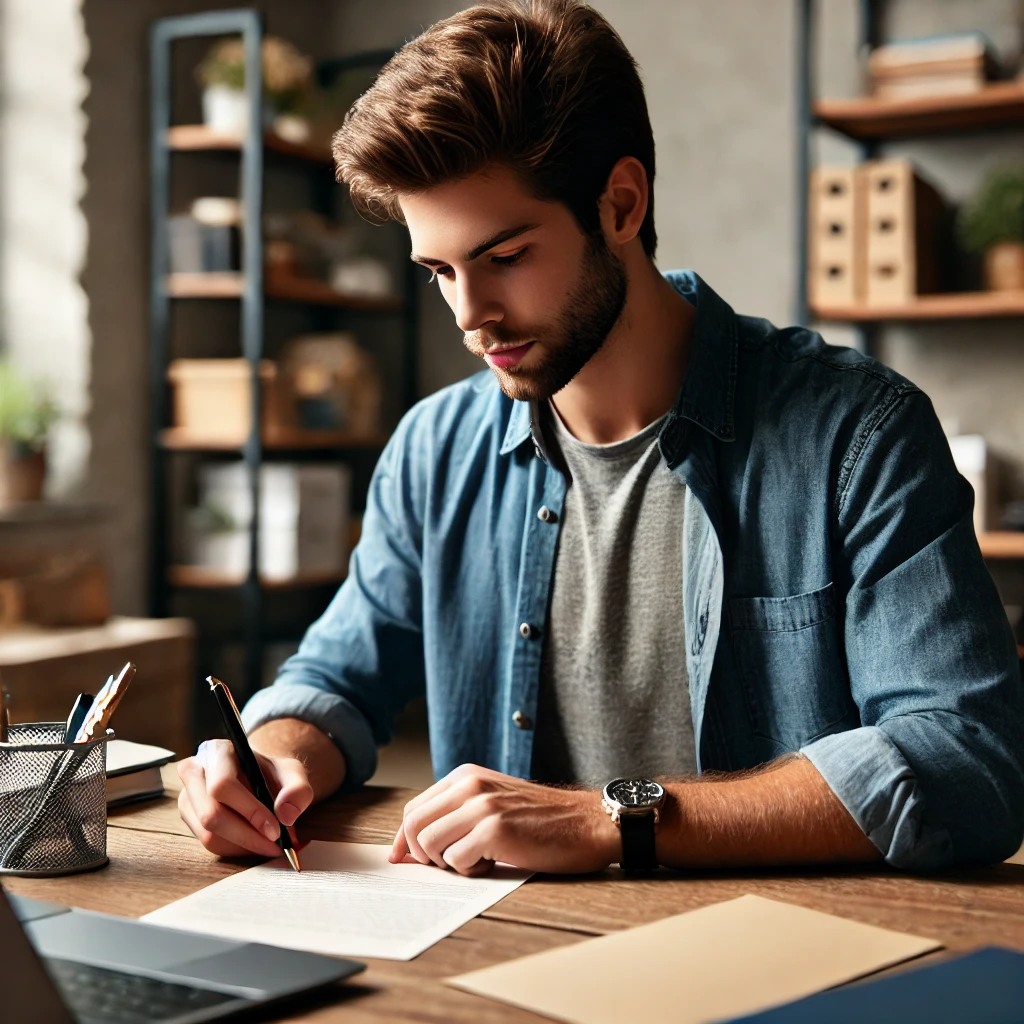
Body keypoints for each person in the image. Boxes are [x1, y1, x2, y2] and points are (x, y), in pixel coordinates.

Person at [177, 0, 1024, 876]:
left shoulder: (859, 434)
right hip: (508, 959)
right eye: (440, 271)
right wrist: (272, 758)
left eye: (504, 256)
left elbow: (969, 762)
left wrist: (613, 819)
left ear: (621, 204)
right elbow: (338, 677)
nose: (470, 315)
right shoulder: (435, 449)